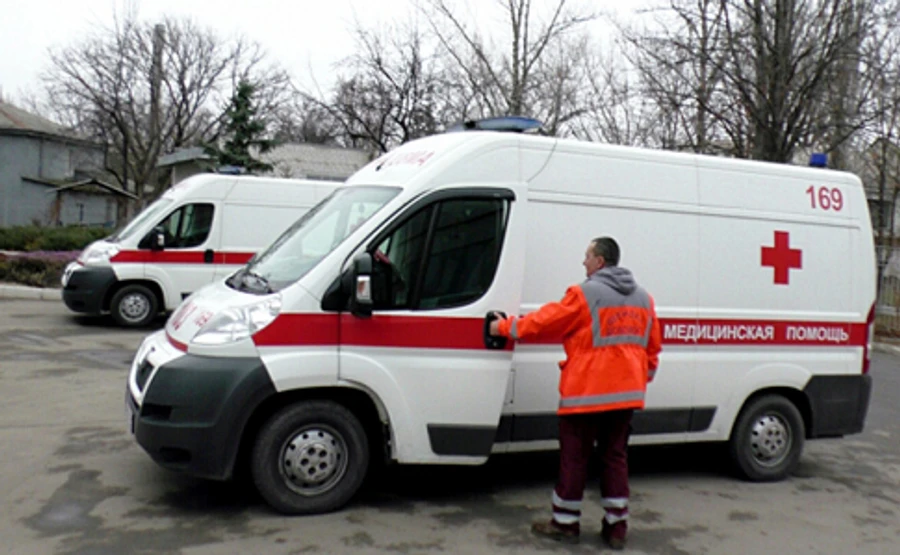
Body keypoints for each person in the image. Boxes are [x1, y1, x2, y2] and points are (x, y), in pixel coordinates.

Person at [489, 237, 661, 550]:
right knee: (615, 457)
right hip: (626, 396)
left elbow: (545, 321)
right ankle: (617, 527)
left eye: (587, 256)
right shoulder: (644, 299)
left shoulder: (585, 294)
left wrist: (504, 327)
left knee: (575, 458)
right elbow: (652, 348)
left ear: (600, 261)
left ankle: (565, 523)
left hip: (586, 393)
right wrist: (639, 379)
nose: (584, 262)